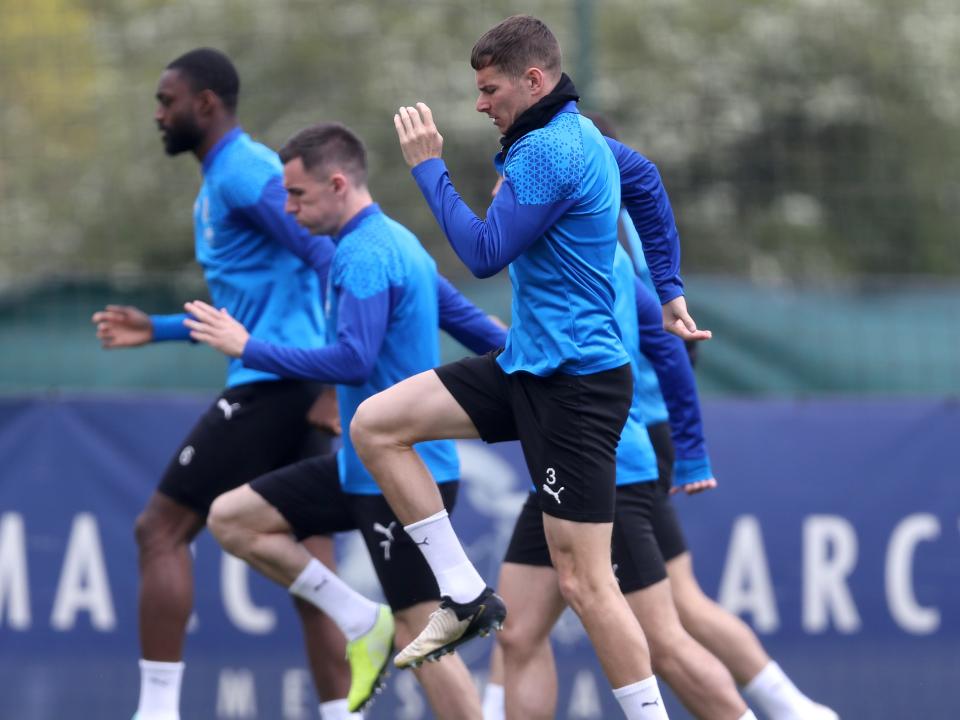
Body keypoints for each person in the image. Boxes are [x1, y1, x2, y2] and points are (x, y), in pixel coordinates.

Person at [350, 15, 708, 720]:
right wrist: (668, 288)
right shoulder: (584, 140)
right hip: (528, 368)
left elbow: (484, 252)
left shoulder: (545, 149)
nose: (480, 103)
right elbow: (648, 182)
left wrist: (428, 169)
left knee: (586, 586)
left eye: (489, 89)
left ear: (534, 80)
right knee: (376, 425)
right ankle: (461, 593)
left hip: (576, 388)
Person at [184, 121, 506, 718]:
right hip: (362, 471)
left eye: (297, 195)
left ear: (337, 185)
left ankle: (381, 624)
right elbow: (480, 330)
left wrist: (249, 348)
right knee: (232, 519)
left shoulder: (361, 255)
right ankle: (361, 619)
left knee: (428, 642)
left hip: (406, 483)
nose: (287, 209)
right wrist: (533, 359)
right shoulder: (399, 242)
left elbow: (353, 360)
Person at [90, 49, 351, 720]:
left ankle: (156, 711)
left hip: (278, 382)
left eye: (166, 100)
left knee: (160, 531)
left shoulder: (245, 172)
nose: (158, 113)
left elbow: (328, 249)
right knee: (310, 573)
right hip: (290, 378)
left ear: (205, 104)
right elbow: (251, 303)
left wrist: (330, 384)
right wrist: (158, 327)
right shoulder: (221, 182)